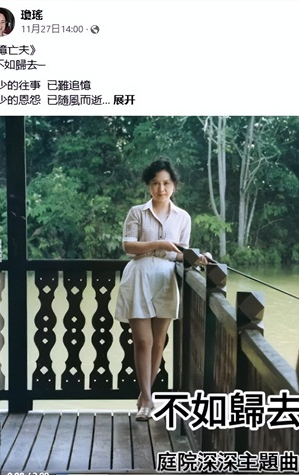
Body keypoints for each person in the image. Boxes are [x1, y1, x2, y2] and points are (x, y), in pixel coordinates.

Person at [115, 159, 206, 421]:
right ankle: (147, 399)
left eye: (166, 183)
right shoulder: (137, 212)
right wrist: (159, 243)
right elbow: (129, 247)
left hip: (166, 280)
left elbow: (179, 254)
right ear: (149, 186)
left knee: (158, 342)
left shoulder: (183, 217)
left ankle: (145, 395)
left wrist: (199, 258)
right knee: (143, 341)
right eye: (155, 183)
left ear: (174, 186)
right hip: (139, 277)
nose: (161, 188)